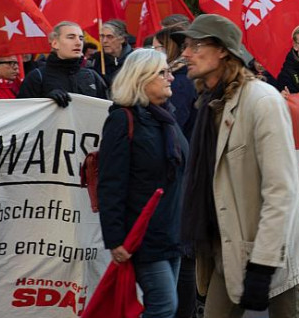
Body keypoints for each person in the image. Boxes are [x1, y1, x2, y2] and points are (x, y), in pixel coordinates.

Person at [174, 14, 299, 317]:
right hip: (226, 248)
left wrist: (262, 265)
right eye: (185, 45)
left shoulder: (261, 101)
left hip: (273, 252)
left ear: (223, 50)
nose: (185, 53)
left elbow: (281, 191)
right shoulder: (210, 103)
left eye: (195, 45)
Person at [98, 49, 189, 318]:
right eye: (163, 72)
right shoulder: (122, 119)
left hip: (173, 231)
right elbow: (111, 182)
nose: (171, 78)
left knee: (168, 307)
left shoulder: (167, 118)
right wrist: (116, 239)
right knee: (163, 307)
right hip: (143, 235)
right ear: (141, 78)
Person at [153, 26, 198, 318]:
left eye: (158, 48)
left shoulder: (180, 86)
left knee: (173, 291)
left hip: (176, 199)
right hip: (177, 202)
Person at [18, 21, 108, 106]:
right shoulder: (37, 77)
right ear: (55, 43)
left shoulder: (92, 77)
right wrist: (46, 101)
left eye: (81, 38)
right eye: (71, 37)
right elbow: (23, 114)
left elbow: (107, 111)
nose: (78, 43)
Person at [92, 19, 134, 85]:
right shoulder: (95, 59)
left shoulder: (135, 60)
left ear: (122, 39)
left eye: (110, 37)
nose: (104, 41)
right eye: (102, 36)